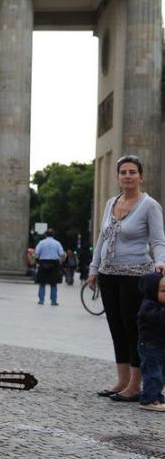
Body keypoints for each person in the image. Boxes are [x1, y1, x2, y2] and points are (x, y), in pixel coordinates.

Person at [89, 155, 165, 402]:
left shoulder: (149, 205)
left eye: (132, 172)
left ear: (141, 177)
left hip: (135, 274)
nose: (128, 176)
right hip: (108, 274)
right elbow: (101, 238)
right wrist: (93, 268)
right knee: (116, 329)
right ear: (118, 176)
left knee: (133, 330)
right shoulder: (111, 202)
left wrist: (161, 262)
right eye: (123, 172)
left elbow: (157, 240)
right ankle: (121, 380)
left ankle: (134, 384)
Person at [137, 273, 165, 411]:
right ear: (151, 291)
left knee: (160, 375)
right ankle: (148, 399)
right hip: (150, 347)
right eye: (163, 291)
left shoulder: (159, 305)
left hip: (160, 346)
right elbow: (159, 319)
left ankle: (156, 396)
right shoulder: (148, 306)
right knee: (153, 374)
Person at [34, 229, 65, 305]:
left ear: (45, 235)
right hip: (54, 264)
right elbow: (62, 254)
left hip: (43, 263)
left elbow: (36, 254)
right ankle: (53, 301)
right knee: (53, 283)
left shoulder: (41, 243)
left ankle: (41, 300)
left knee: (42, 283)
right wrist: (61, 261)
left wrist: (36, 261)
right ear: (53, 235)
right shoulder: (57, 243)